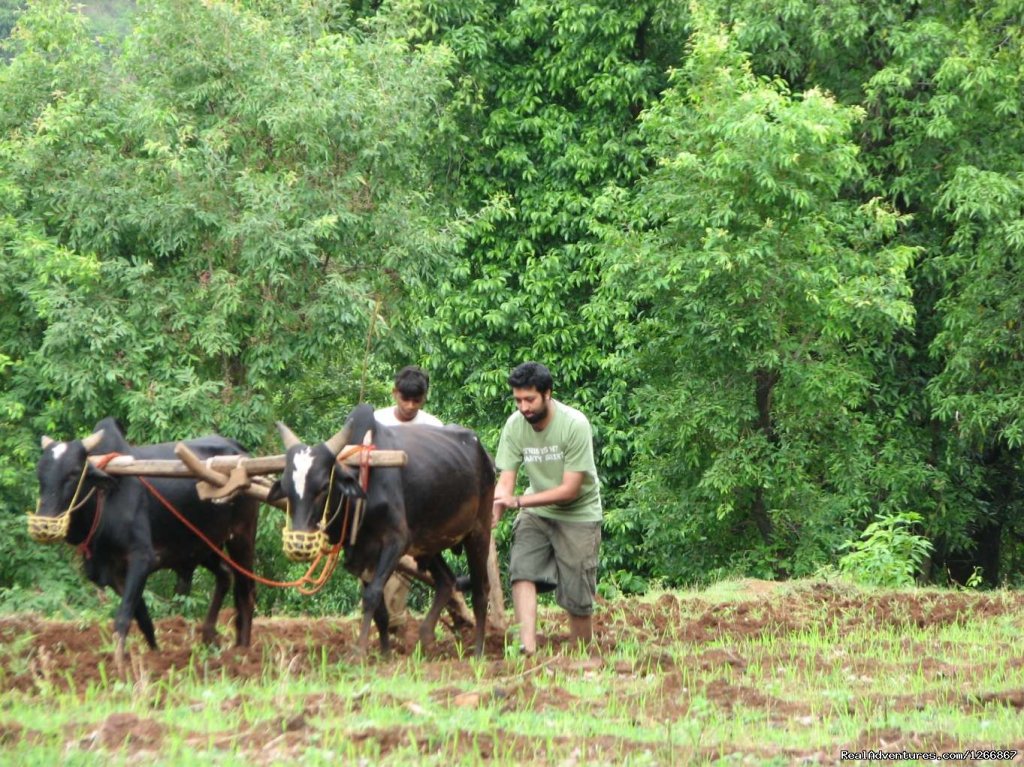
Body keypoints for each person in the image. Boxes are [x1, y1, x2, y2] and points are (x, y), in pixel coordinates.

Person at [491, 361, 602, 655]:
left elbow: (570, 490)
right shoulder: (515, 425)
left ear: (548, 394)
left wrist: (517, 501)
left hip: (578, 513)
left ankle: (581, 652)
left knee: (577, 594)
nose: (524, 407)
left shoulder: (574, 424)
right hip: (536, 511)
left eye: (530, 399)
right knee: (521, 569)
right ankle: (527, 648)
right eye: (518, 400)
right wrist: (497, 506)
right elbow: (506, 480)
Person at [373, 365, 443, 427]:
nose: (411, 406)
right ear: (395, 393)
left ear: (425, 397)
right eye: (405, 399)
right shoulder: (376, 421)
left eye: (417, 400)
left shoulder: (434, 427)